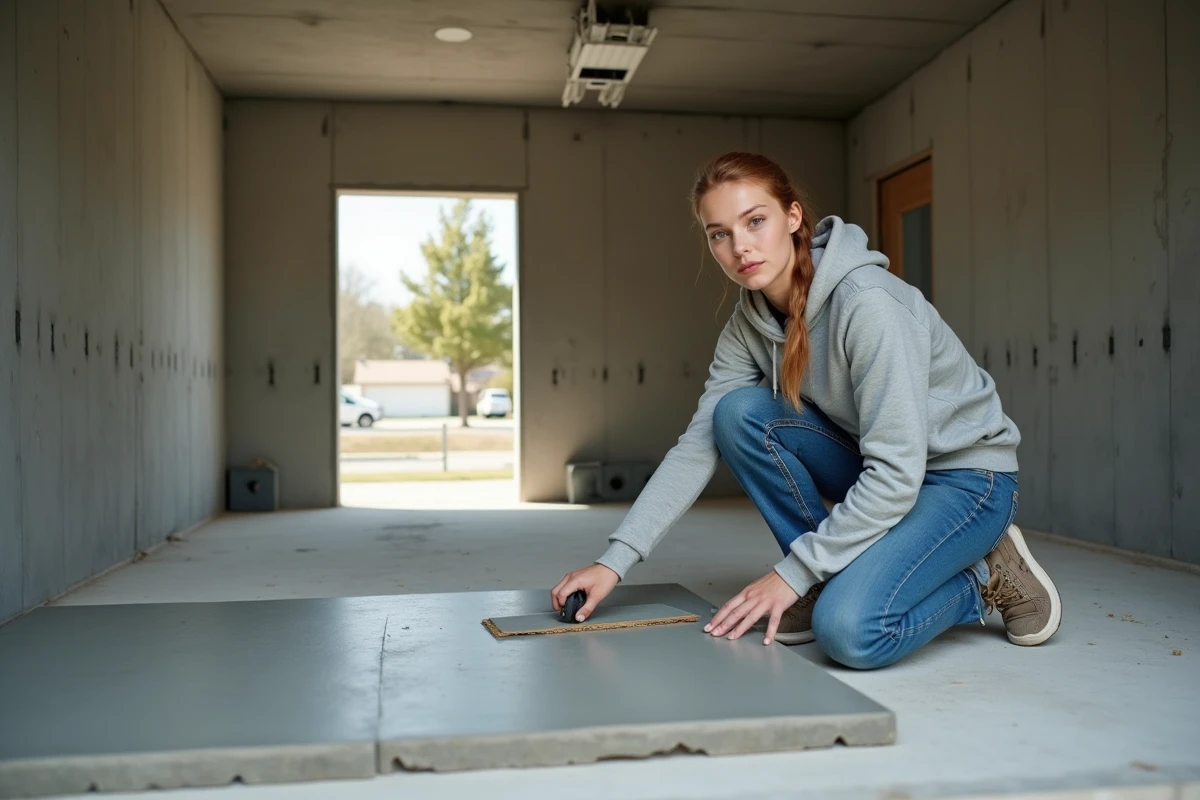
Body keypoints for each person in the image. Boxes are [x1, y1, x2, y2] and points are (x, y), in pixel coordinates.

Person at [550, 151, 1062, 670]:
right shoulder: (748, 325)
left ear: (793, 217)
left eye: (755, 221)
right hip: (880, 467)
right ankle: (822, 580)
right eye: (719, 233)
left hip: (965, 480)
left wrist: (790, 573)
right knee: (736, 414)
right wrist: (613, 562)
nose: (739, 246)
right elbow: (697, 446)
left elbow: (896, 474)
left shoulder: (868, 304)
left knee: (850, 632)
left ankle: (982, 574)